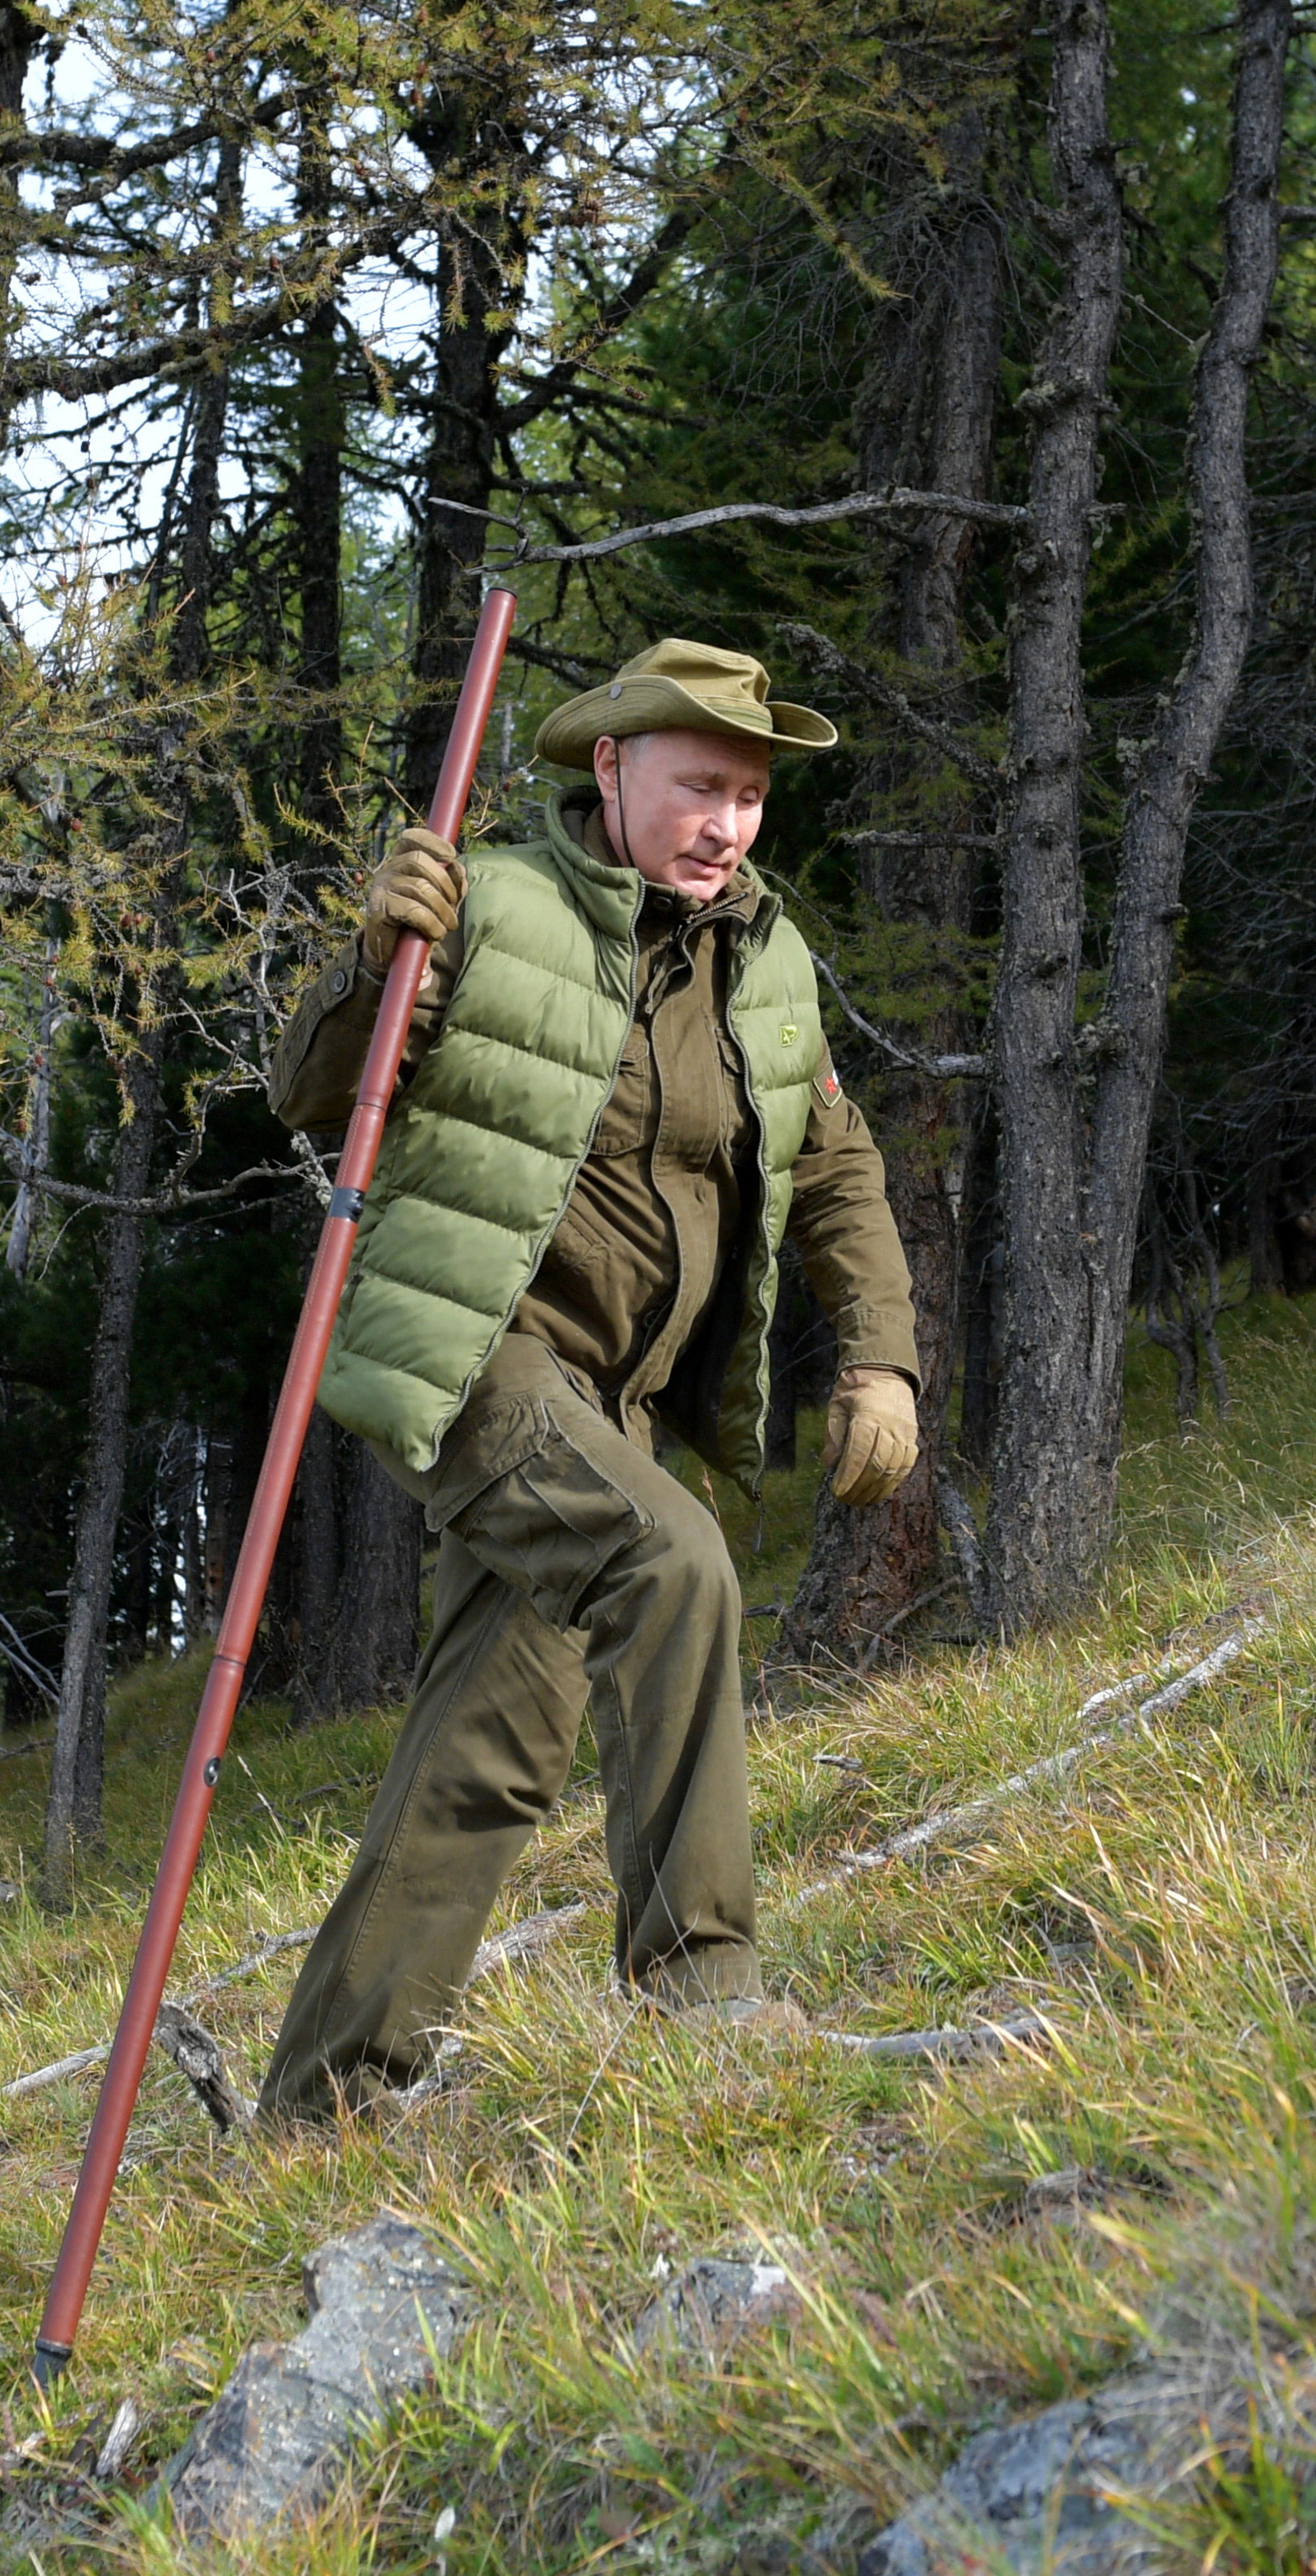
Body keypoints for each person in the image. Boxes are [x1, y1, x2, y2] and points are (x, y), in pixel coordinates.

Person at [253, 637, 924, 2122]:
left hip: (611, 1401)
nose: (727, 825)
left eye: (750, 796)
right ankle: (701, 1987)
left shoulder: (768, 958)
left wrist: (879, 1353)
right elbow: (315, 1091)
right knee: (674, 1568)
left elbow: (837, 1167)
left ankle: (325, 2106)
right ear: (611, 771)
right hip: (471, 1356)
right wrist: (377, 964)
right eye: (701, 787)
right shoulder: (494, 905)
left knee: (489, 1748)